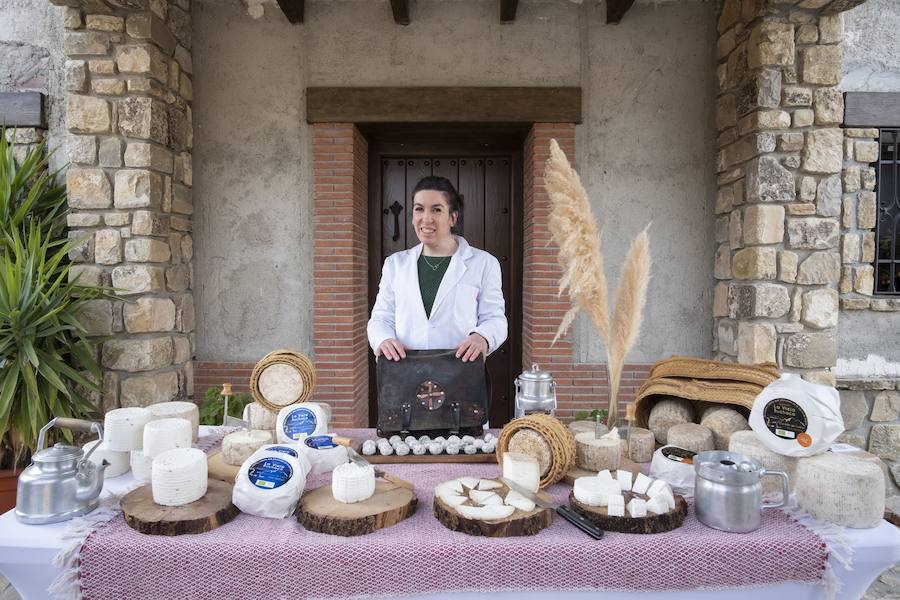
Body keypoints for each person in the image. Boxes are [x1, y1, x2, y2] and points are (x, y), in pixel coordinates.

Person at [367, 175, 508, 363]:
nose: (426, 219)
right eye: (419, 209)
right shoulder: (395, 264)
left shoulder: (484, 263)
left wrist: (481, 337)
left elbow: (495, 319)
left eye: (437, 210)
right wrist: (383, 339)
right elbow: (381, 317)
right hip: (404, 372)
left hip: (459, 372)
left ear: (453, 217)